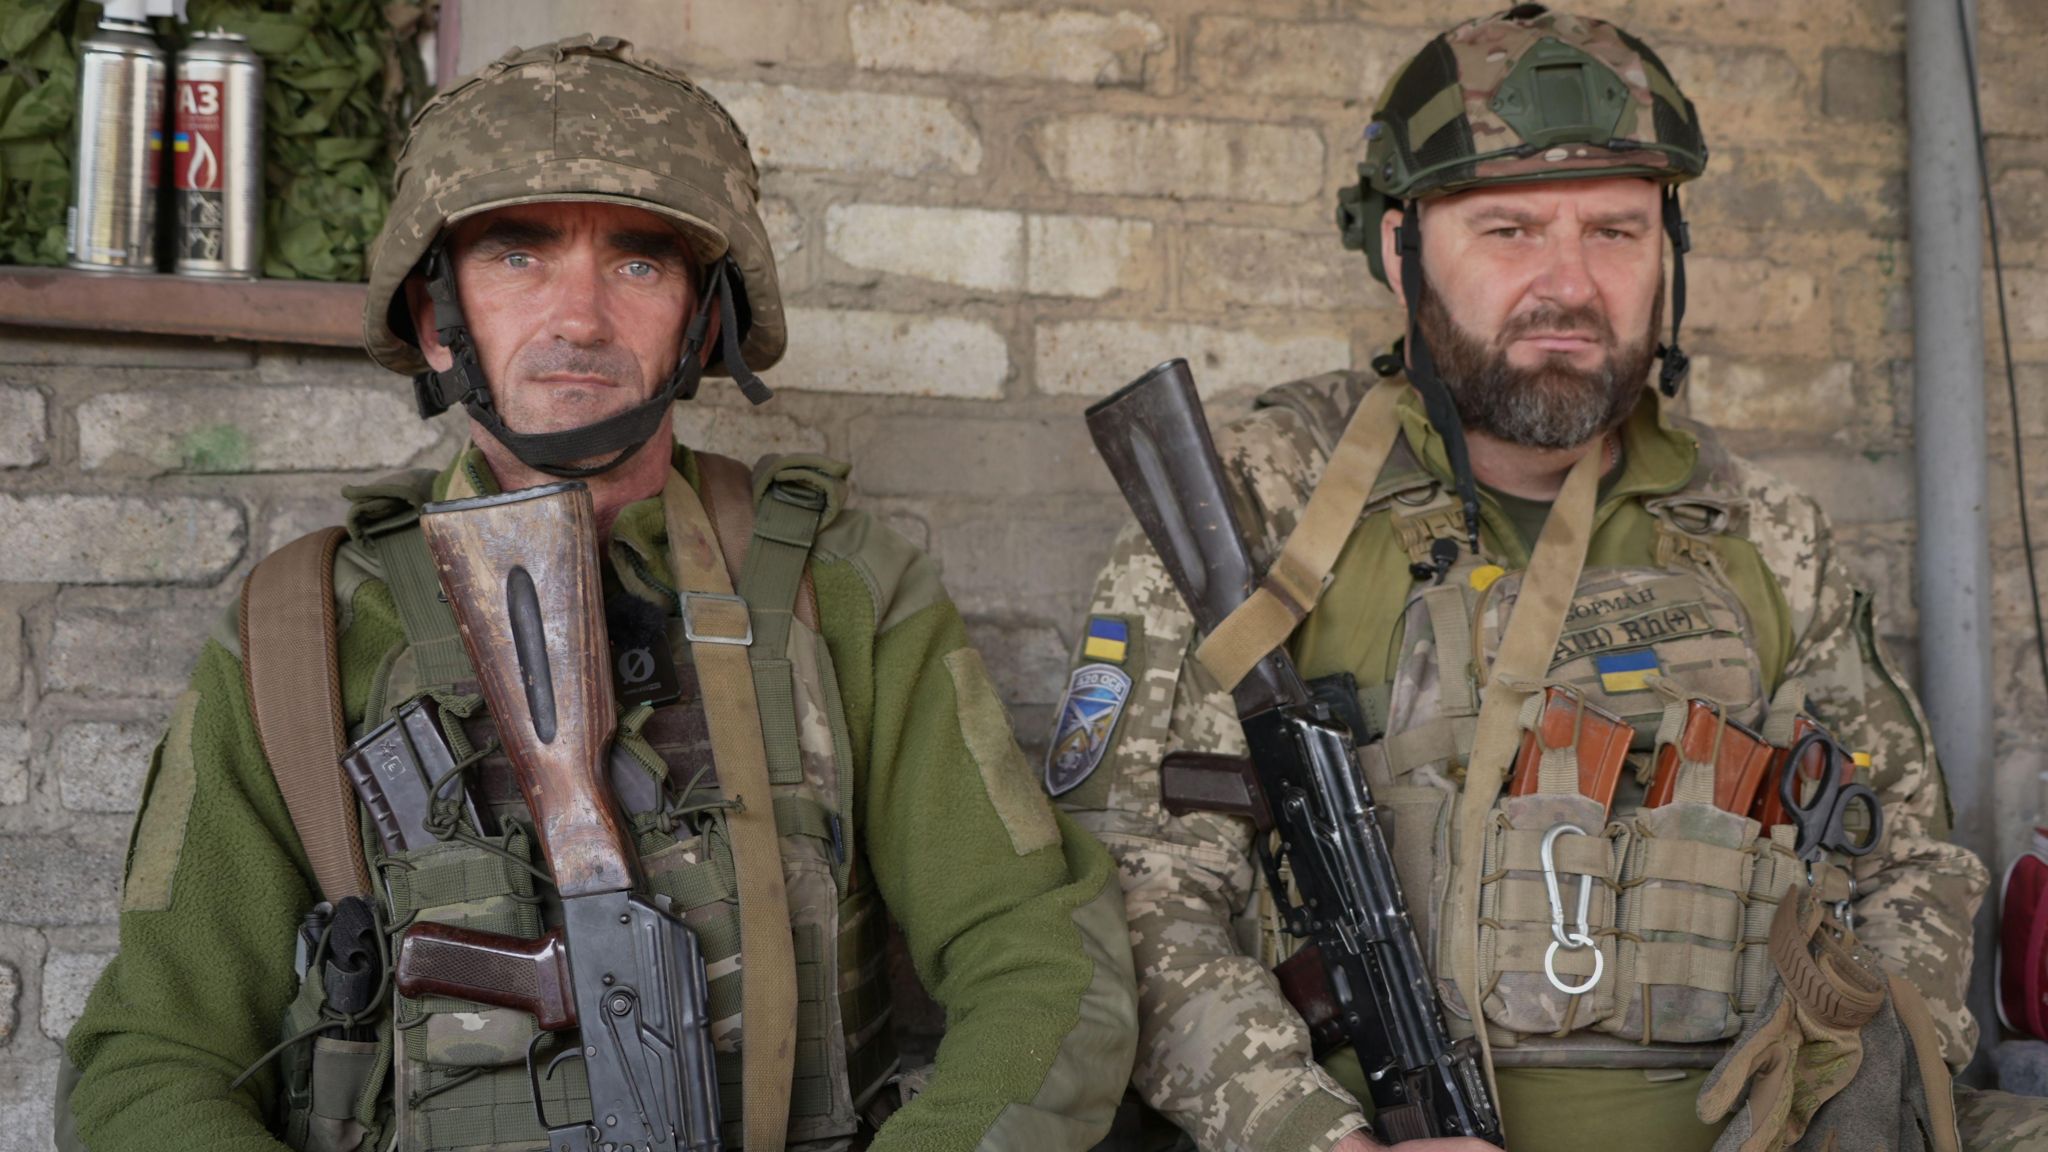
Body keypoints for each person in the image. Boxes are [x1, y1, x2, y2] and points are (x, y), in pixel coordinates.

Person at [60, 36, 1137, 1152]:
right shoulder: (302, 636)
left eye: (637, 264)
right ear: (436, 317)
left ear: (701, 320)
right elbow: (150, 1064)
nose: (578, 319)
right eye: (516, 258)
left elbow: (1042, 958)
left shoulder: (840, 594)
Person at [1050, 7, 2047, 1151]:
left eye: (1614, 233)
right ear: (1397, 250)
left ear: (1667, 251)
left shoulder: (1758, 532)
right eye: (1509, 229)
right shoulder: (1255, 501)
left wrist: (1847, 1102)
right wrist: (1308, 1135)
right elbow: (1132, 880)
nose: (1567, 285)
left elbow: (1905, 866)